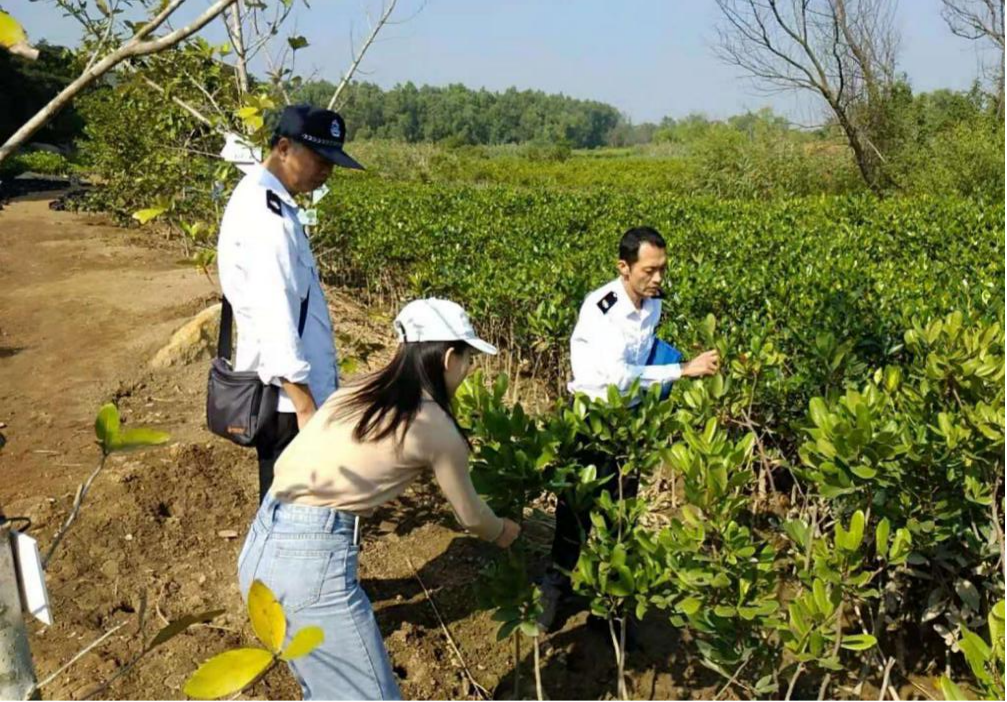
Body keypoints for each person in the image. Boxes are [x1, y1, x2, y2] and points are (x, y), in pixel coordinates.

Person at [237, 299, 522, 702]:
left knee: (322, 687)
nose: (469, 369)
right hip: (309, 564)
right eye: (468, 358)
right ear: (447, 359)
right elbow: (472, 516)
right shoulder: (435, 426)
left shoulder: (355, 392)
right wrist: (504, 531)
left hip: (261, 543)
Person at [538, 226, 721, 636]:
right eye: (649, 270)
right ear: (624, 268)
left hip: (630, 424)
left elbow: (641, 359)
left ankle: (607, 607)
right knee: (575, 511)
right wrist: (682, 370)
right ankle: (554, 592)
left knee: (621, 517)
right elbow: (617, 381)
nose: (658, 279)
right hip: (592, 420)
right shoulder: (601, 309)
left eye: (662, 270)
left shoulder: (652, 305)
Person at [217, 105, 364, 503]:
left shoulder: (272, 201)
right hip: (286, 400)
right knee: (291, 508)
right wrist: (305, 406)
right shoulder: (266, 215)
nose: (327, 172)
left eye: (332, 162)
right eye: (319, 159)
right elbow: (273, 312)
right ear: (283, 148)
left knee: (291, 502)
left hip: (292, 393)